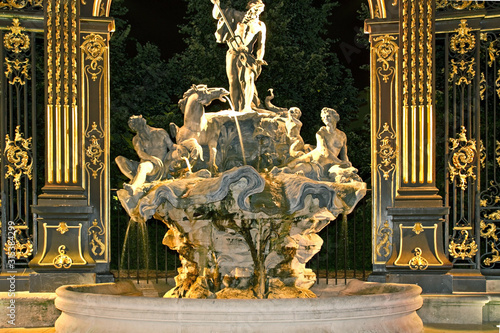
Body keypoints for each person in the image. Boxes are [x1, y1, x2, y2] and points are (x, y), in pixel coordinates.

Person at [211, 0, 267, 112]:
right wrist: (216, 4)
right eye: (255, 9)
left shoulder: (260, 25)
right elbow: (218, 15)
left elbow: (261, 45)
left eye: (259, 11)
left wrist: (259, 58)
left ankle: (247, 107)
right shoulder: (238, 16)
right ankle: (236, 109)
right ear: (249, 7)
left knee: (249, 78)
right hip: (233, 52)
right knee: (233, 81)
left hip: (248, 56)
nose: (256, 13)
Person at [285, 108, 352, 180]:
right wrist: (340, 162)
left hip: (329, 165)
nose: (325, 118)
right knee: (291, 167)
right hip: (315, 161)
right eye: (323, 117)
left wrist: (347, 163)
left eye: (328, 116)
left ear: (335, 117)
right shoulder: (321, 133)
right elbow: (323, 150)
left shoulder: (342, 135)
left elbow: (344, 155)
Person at [115, 115, 174, 194]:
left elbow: (171, 146)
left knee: (143, 166)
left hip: (157, 167)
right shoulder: (136, 139)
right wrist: (151, 158)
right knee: (119, 159)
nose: (138, 131)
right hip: (144, 164)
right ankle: (137, 180)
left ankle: (134, 187)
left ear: (143, 123)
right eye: (134, 129)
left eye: (137, 127)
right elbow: (140, 153)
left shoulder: (160, 132)